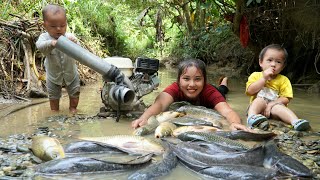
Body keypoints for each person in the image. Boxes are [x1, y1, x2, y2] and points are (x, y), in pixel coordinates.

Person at [132, 58, 250, 131]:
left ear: (204, 80)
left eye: (198, 79)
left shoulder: (210, 92)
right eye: (186, 79)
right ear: (178, 80)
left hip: (216, 91)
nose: (192, 84)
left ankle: (224, 81)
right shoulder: (174, 88)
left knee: (223, 89)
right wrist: (143, 118)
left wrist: (235, 123)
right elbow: (160, 104)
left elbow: (228, 111)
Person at [245, 44, 310, 131]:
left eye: (278, 62)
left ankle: (295, 122)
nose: (273, 64)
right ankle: (251, 117)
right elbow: (250, 91)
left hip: (273, 110)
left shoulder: (284, 80)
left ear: (282, 67)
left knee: (279, 106)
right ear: (261, 62)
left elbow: (286, 98)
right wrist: (264, 78)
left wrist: (272, 104)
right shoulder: (256, 75)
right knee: (259, 100)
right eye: (269, 60)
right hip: (257, 109)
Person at [36, 4, 80, 114]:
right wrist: (52, 43)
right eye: (53, 26)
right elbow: (40, 46)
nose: (59, 29)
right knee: (53, 96)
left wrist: (75, 43)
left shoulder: (69, 37)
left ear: (66, 24)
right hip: (53, 75)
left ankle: (73, 110)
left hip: (71, 73)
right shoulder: (44, 37)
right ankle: (55, 112)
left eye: (62, 25)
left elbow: (80, 53)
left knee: (75, 93)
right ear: (45, 25)